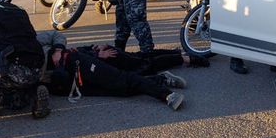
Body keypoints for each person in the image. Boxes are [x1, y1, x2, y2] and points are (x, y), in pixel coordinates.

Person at [36, 30, 202, 111]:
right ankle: (160, 79)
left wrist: (58, 50)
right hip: (63, 83)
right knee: (122, 90)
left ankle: (166, 95)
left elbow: (56, 35)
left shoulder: (29, 40)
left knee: (133, 69)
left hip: (74, 62)